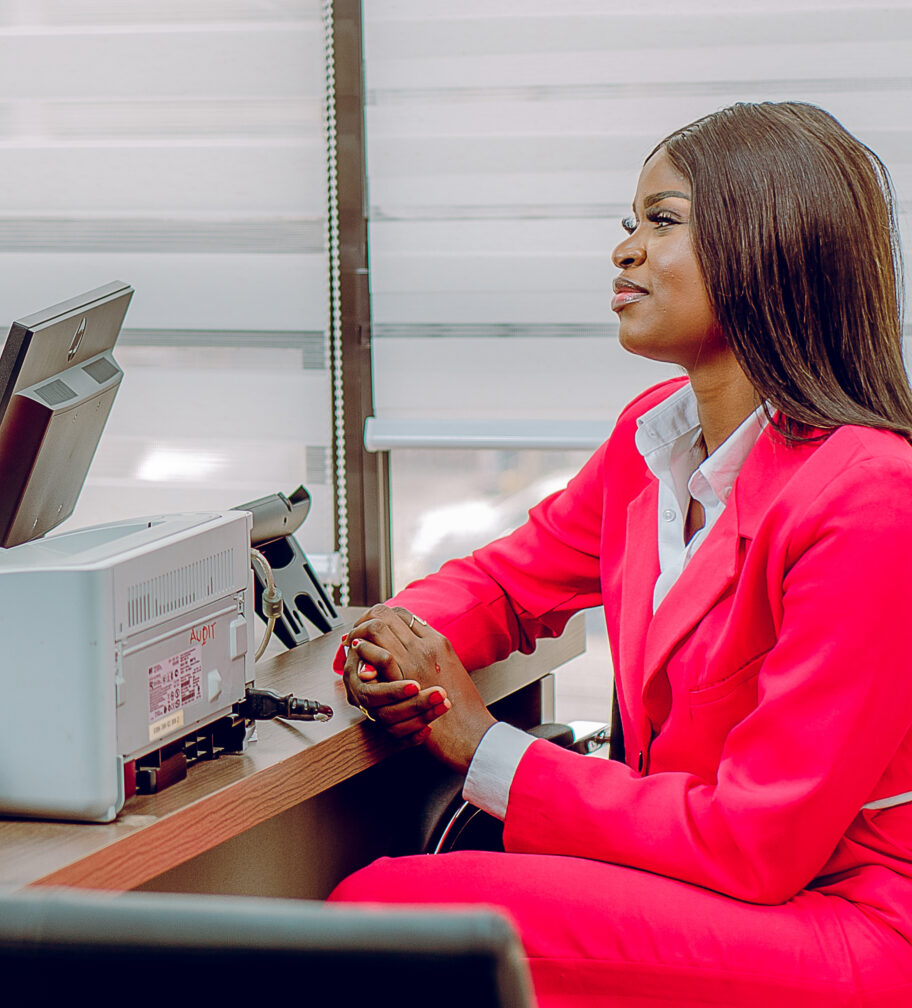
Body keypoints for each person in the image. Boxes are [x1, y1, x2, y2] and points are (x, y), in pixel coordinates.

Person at [328, 102, 912, 1005]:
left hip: (844, 919)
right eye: (629, 222)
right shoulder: (654, 441)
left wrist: (484, 746)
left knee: (382, 919)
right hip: (710, 882)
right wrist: (391, 645)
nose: (625, 250)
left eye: (662, 220)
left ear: (768, 244)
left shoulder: (869, 494)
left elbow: (761, 842)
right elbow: (504, 583)